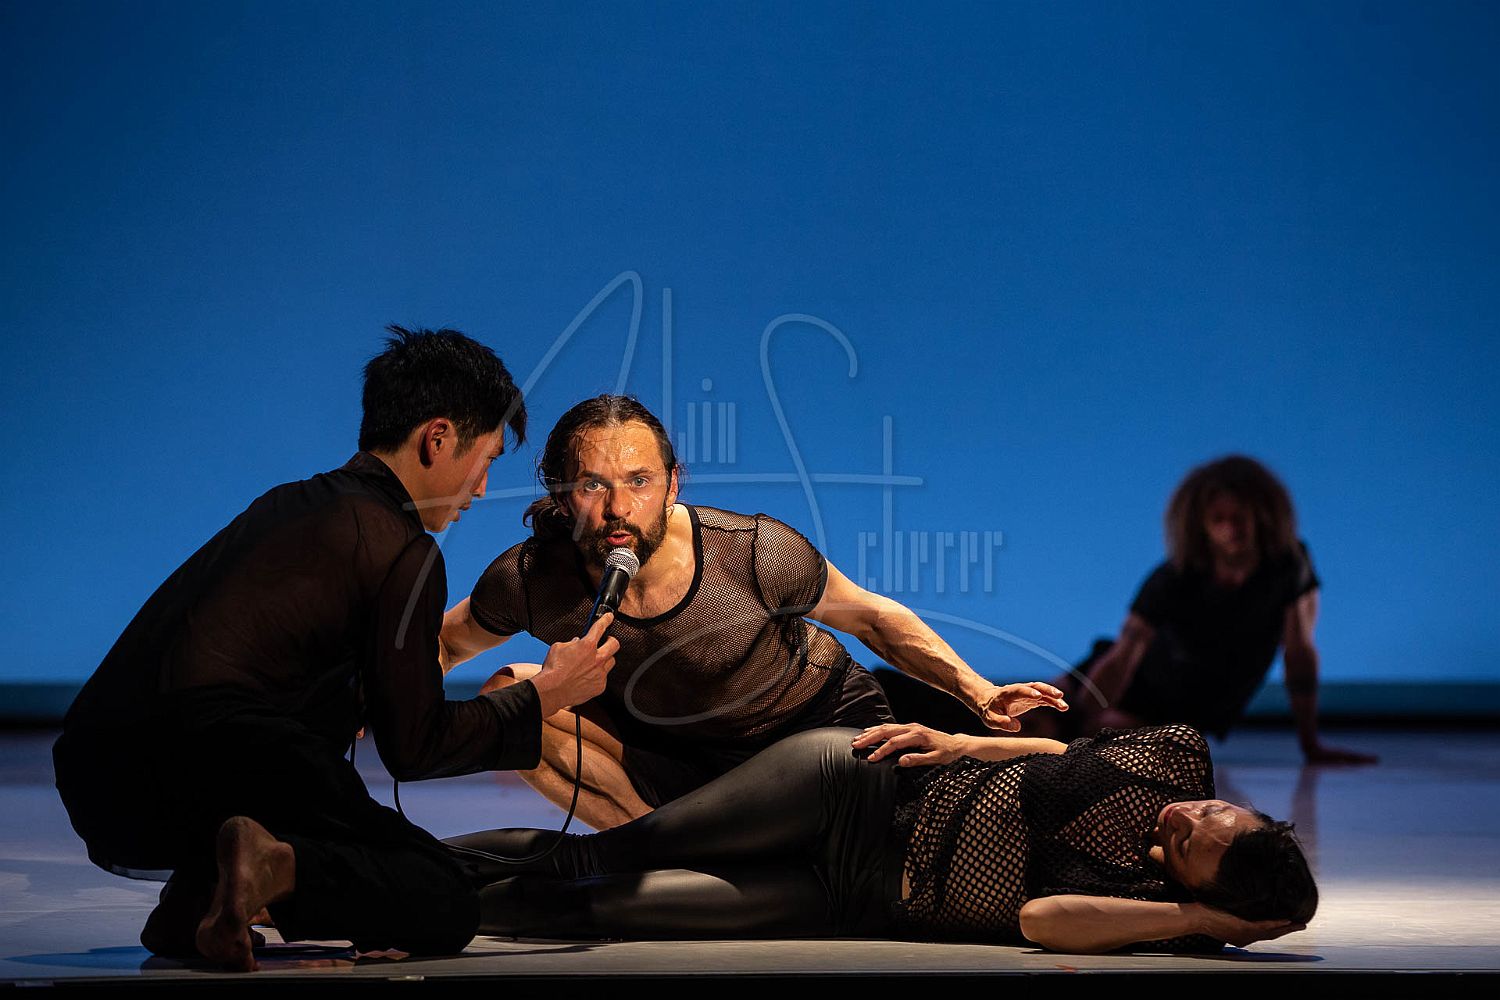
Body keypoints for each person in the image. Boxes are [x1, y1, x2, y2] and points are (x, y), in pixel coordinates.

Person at [51, 327, 620, 971]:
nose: (483, 487)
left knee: (314, 795)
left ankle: (199, 902)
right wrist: (545, 695)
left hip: (97, 776)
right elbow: (416, 747)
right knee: (443, 896)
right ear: (437, 438)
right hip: (214, 760)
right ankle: (272, 868)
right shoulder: (401, 547)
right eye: (485, 458)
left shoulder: (287, 504)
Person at [437, 395, 1068, 829]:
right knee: (511, 694)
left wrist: (978, 692)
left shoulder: (751, 551)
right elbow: (444, 645)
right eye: (592, 485)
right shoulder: (531, 580)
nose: (618, 508)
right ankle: (654, 848)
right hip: (685, 762)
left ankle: (707, 852)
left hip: (816, 742)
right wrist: (385, 709)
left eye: (639, 481)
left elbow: (871, 617)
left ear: (672, 484)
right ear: (560, 493)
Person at [446, 721, 1316, 954]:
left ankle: (425, 908)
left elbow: (1041, 920)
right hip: (855, 792)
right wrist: (961, 741)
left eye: (1196, 843)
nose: (1189, 817)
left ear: (1201, 893)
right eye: (1218, 813)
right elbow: (1068, 755)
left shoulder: (1158, 918)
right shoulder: (1176, 757)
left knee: (612, 911)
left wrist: (1198, 924)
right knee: (609, 854)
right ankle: (409, 869)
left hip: (851, 898)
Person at [890, 455, 1371, 762]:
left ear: (1261, 517)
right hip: (1119, 681)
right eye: (1219, 519)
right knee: (1028, 715)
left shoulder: (1288, 566)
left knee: (1060, 728)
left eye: (1239, 518)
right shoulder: (1176, 577)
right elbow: (1124, 655)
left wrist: (1310, 742)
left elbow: (1299, 652)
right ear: (1202, 525)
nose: (1231, 530)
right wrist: (1080, 720)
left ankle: (905, 714)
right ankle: (894, 704)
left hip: (1183, 704)